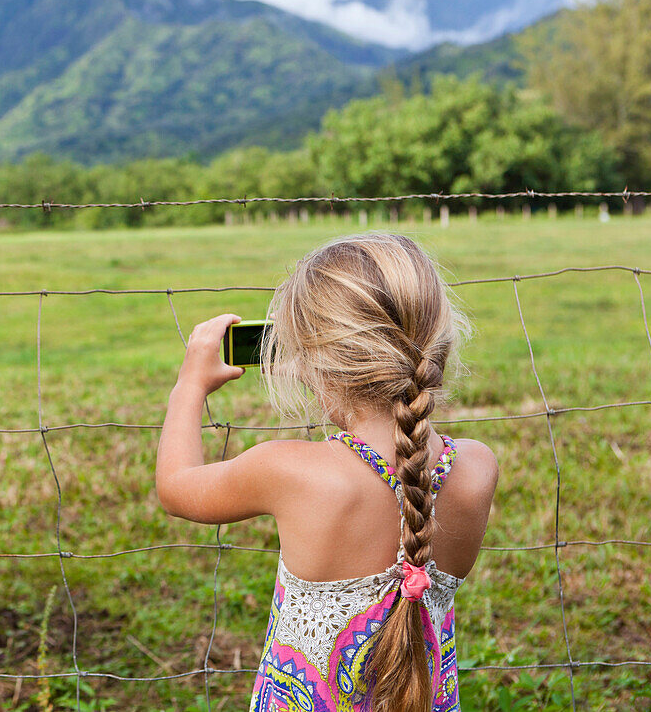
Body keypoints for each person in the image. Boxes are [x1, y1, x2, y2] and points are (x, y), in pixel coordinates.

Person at [156, 232, 498, 712]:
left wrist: (189, 386)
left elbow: (176, 488)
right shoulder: (477, 469)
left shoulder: (291, 470)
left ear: (313, 363)